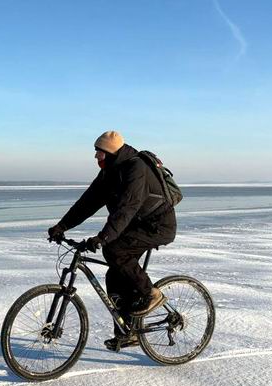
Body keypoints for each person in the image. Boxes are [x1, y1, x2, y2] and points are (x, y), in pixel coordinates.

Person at [48, 131, 177, 351]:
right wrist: (62, 226)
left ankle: (151, 294)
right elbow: (87, 203)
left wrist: (103, 237)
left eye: (99, 152)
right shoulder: (109, 172)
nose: (96, 157)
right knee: (115, 272)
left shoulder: (136, 169)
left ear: (110, 152)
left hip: (157, 227)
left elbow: (127, 208)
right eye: (95, 152)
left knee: (115, 251)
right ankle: (128, 331)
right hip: (133, 226)